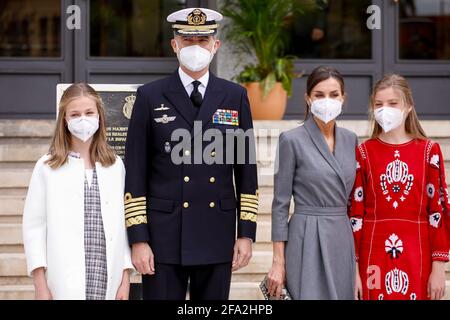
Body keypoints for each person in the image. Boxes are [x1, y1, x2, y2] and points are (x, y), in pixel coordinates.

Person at [124, 8, 258, 300]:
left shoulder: (235, 96)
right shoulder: (149, 96)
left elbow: (246, 171)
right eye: (187, 40)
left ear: (215, 45)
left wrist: (245, 233)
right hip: (164, 237)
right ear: (175, 45)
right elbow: (135, 172)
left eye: (203, 39)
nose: (195, 47)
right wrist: (138, 239)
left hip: (216, 233)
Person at [22, 83, 133, 300]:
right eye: (75, 114)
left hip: (106, 278)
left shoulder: (114, 165)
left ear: (99, 116)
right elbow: (34, 228)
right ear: (65, 119)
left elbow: (122, 226)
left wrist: (125, 277)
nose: (83, 119)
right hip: (63, 281)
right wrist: (40, 284)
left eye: (89, 112)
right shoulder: (47, 167)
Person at [350, 74, 449, 300]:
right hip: (373, 252)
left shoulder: (429, 151)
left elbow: (439, 211)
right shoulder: (364, 153)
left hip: (419, 252)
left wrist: (439, 267)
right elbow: (355, 215)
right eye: (378, 104)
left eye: (393, 103)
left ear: (408, 107)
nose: (385, 109)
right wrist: (354, 270)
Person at [268, 66, 358, 300]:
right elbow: (280, 205)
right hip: (306, 235)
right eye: (319, 95)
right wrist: (278, 262)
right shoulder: (291, 140)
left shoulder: (351, 140)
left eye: (334, 94)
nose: (327, 101)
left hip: (341, 236)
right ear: (308, 98)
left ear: (343, 98)